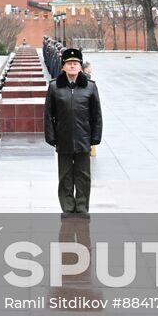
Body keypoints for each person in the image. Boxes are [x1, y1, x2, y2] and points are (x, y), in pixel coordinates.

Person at [43, 46, 102, 216]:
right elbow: (48, 115)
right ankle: (68, 206)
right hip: (64, 139)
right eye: (69, 63)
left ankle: (82, 206)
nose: (72, 66)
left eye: (76, 63)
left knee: (83, 176)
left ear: (80, 66)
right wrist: (52, 137)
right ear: (63, 67)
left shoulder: (90, 87)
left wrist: (95, 137)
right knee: (65, 175)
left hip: (84, 138)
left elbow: (96, 115)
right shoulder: (55, 87)